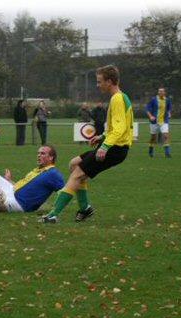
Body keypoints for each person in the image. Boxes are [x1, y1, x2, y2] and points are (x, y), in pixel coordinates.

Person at [40, 64, 133, 224]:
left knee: (77, 174)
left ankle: (54, 214)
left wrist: (105, 146)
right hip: (115, 146)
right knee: (74, 164)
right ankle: (85, 209)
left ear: (109, 81)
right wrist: (102, 136)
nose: (98, 85)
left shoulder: (117, 98)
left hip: (115, 149)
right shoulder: (121, 97)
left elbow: (120, 128)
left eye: (99, 82)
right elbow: (118, 127)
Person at [0, 146, 65, 213]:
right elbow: (23, 186)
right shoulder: (38, 170)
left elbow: (64, 193)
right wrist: (9, 181)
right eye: (38, 153)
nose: (38, 155)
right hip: (11, 190)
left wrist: (55, 211)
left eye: (42, 153)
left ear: (51, 157)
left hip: (17, 204)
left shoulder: (53, 174)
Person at [145, 87, 172, 158]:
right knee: (153, 138)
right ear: (158, 92)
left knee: (166, 136)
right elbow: (147, 109)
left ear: (164, 93)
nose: (160, 93)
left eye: (162, 91)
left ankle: (167, 153)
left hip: (164, 121)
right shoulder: (154, 100)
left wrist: (169, 113)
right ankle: (151, 150)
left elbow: (169, 108)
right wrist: (150, 116)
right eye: (159, 91)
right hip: (154, 122)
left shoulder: (167, 100)